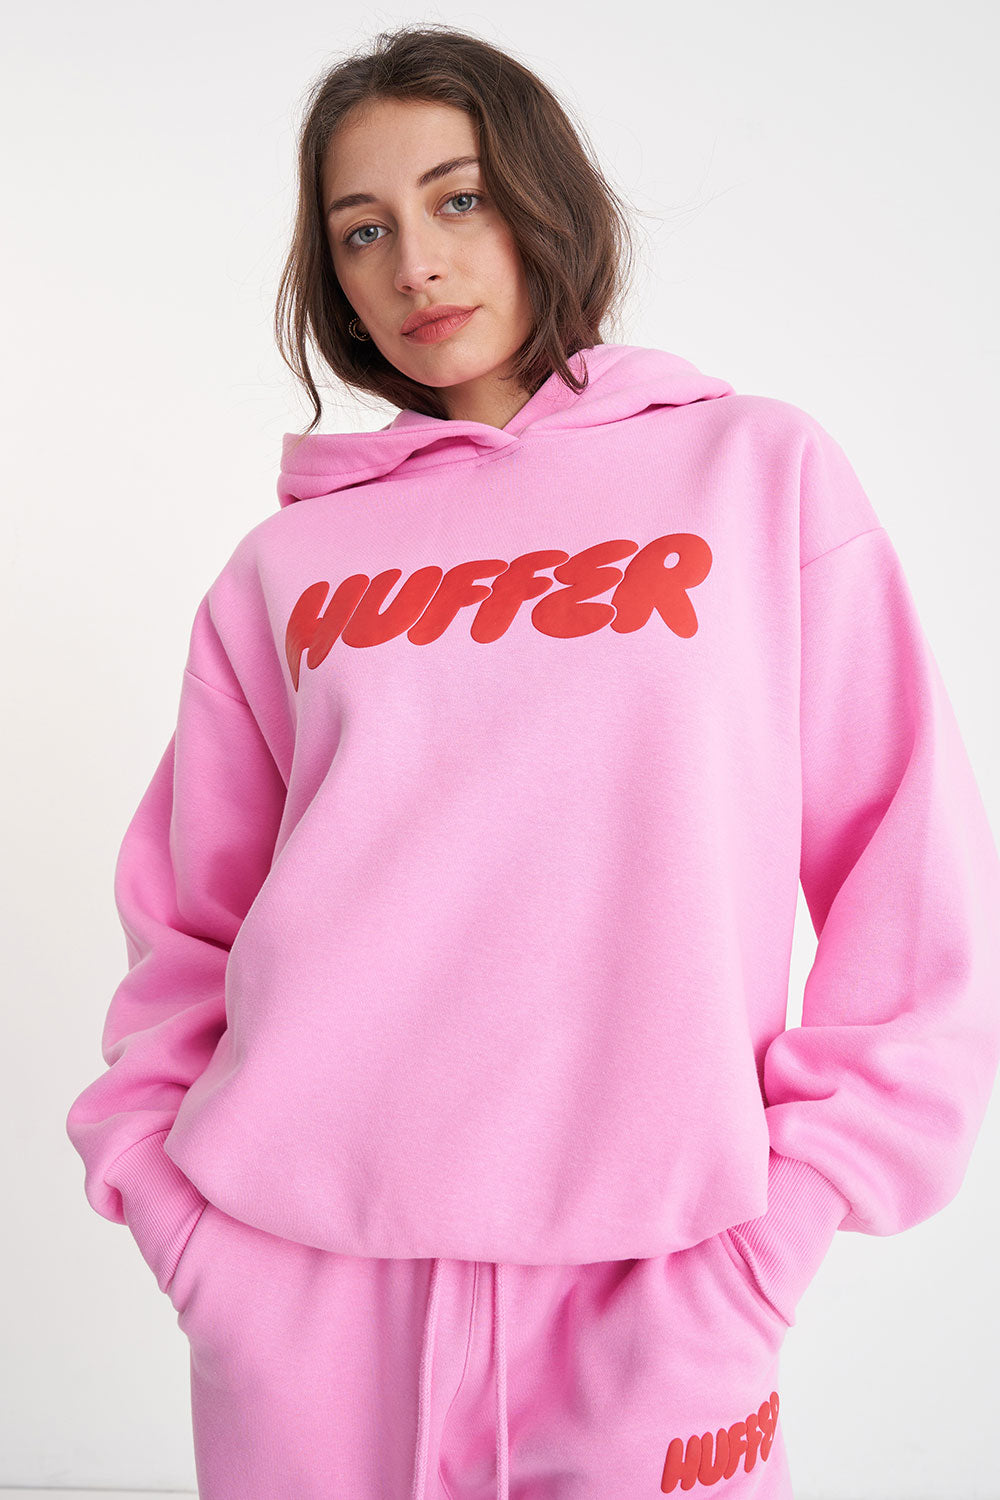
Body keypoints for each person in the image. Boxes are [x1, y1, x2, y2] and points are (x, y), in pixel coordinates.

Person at [65, 22, 1000, 1500]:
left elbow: (907, 863)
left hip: (663, 1286)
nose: (416, 264)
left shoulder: (753, 475)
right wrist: (190, 1233)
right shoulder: (285, 567)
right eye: (363, 230)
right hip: (301, 1295)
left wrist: (788, 1222)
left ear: (543, 201)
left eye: (459, 199)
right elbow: (188, 927)